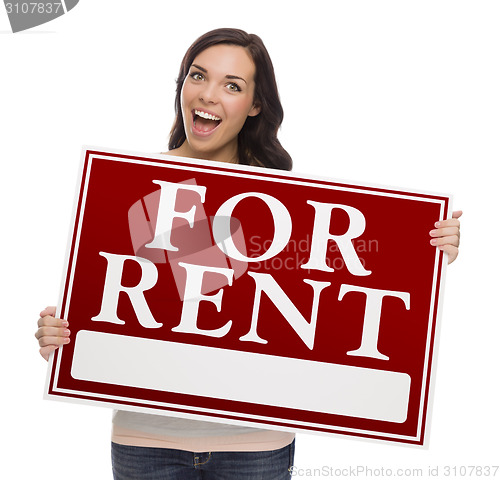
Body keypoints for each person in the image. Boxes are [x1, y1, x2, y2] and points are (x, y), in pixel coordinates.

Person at [35, 28, 462, 479]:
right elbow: (118, 312)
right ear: (182, 84)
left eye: (232, 85)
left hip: (256, 448)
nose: (210, 94)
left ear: (255, 105)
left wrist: (423, 251)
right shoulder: (127, 187)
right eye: (198, 76)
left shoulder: (289, 204)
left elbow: (338, 297)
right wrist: (61, 339)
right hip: (146, 443)